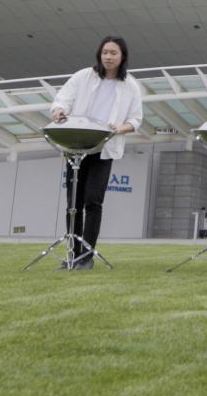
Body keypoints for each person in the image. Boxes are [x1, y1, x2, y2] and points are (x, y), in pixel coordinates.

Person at [49, 36, 144, 270]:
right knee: (73, 202)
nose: (108, 57)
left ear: (122, 57)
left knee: (93, 202)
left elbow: (136, 119)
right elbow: (63, 98)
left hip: (104, 149)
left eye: (113, 53)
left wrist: (122, 128)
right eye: (105, 52)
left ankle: (86, 256)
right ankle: (72, 252)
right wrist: (59, 110)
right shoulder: (84, 76)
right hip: (77, 146)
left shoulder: (130, 85)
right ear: (99, 55)